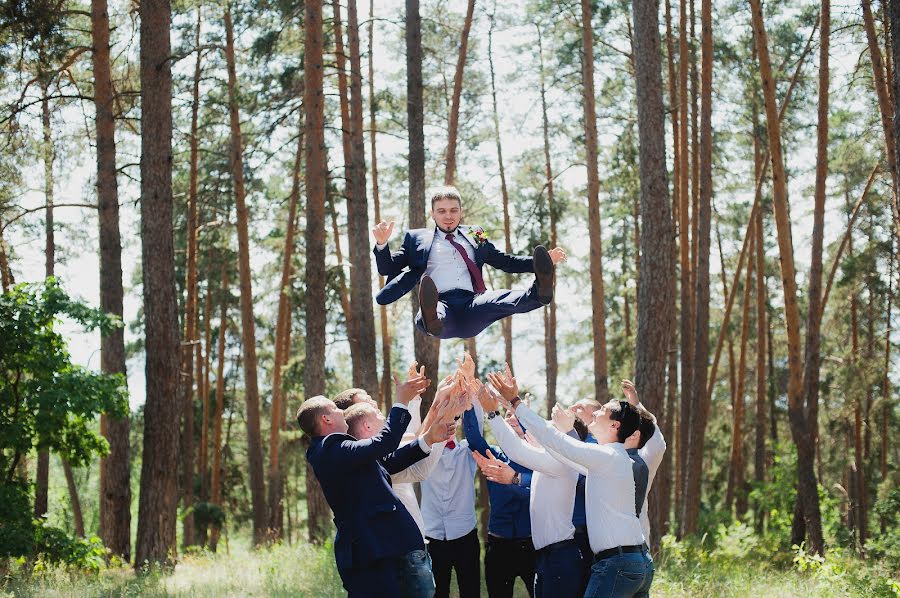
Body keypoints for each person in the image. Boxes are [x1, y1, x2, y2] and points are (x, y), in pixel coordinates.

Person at [486, 366, 654, 598]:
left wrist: (515, 401)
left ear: (615, 425)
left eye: (603, 410)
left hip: (618, 564)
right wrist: (499, 413)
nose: (596, 413)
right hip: (636, 561)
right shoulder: (610, 460)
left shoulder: (606, 457)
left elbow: (557, 442)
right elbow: (555, 448)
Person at [298, 366, 442, 598]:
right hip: (371, 555)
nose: (342, 413)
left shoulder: (338, 451)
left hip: (383, 550)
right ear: (326, 419)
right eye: (336, 409)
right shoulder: (330, 449)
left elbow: (388, 463)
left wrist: (428, 440)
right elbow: (384, 443)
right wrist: (401, 402)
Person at [371, 186, 567, 339]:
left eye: (453, 210)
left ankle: (540, 291)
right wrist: (382, 243)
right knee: (434, 314)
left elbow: (503, 261)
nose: (448, 216)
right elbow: (387, 268)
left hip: (472, 304)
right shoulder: (415, 238)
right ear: (433, 214)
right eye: (441, 211)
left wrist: (542, 262)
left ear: (461, 212)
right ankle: (432, 318)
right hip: (441, 304)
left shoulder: (476, 233)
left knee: (500, 298)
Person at [474, 382, 582, 598]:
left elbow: (517, 449)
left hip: (559, 556)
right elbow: (527, 438)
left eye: (551, 428)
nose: (545, 430)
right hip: (548, 556)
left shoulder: (561, 461)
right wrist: (512, 406)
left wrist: (493, 413)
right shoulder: (549, 456)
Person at [344, 375, 466, 538]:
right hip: (402, 546)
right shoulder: (372, 459)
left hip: (414, 539)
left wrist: (434, 400)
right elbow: (421, 468)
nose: (374, 402)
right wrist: (447, 413)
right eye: (366, 402)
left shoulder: (378, 445)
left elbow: (417, 436)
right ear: (353, 416)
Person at [420, 357, 484, 598]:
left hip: (465, 536)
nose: (452, 423)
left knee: (471, 593)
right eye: (449, 417)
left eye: (456, 418)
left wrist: (468, 381)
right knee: (437, 594)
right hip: (432, 537)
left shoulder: (467, 451)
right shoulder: (423, 450)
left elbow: (476, 427)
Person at [464, 381, 535, 598]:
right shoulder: (493, 455)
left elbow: (536, 493)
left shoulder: (538, 458)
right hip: (499, 544)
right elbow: (473, 436)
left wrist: (512, 480)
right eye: (507, 416)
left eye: (516, 415)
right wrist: (471, 400)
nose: (511, 418)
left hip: (531, 545)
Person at [620, 380, 667, 546]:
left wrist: (636, 403)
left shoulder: (642, 458)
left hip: (633, 539)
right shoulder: (599, 447)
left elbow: (658, 443)